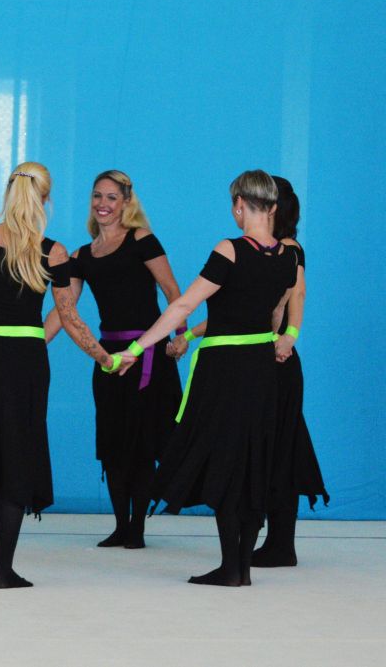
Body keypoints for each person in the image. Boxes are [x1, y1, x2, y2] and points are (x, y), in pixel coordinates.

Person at [0, 162, 135, 589]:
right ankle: (4, 571)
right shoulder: (53, 251)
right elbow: (70, 318)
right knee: (15, 458)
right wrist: (106, 358)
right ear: (45, 199)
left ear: (9, 193)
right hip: (26, 360)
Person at [113, 170, 297, 587]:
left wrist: (136, 349)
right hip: (262, 369)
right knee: (252, 462)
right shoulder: (288, 258)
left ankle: (230, 566)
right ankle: (241, 568)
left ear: (238, 204)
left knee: (225, 461)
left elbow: (183, 306)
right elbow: (273, 316)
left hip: (224, 371)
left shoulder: (230, 249)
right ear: (272, 206)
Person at [168, 176, 329, 566]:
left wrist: (289, 335)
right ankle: (272, 543)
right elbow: (232, 314)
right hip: (262, 356)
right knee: (271, 448)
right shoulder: (268, 251)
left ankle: (278, 543)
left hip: (271, 360)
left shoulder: (286, 251)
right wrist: (189, 333)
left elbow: (294, 297)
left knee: (277, 449)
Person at [43, 171, 184, 549]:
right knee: (113, 444)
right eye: (97, 196)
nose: (102, 204)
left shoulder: (142, 239)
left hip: (148, 357)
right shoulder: (81, 256)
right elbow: (64, 309)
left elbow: (172, 291)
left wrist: (181, 335)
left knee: (143, 444)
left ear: (125, 203)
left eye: (111, 197)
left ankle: (137, 528)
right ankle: (121, 525)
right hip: (108, 360)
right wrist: (36, 342)